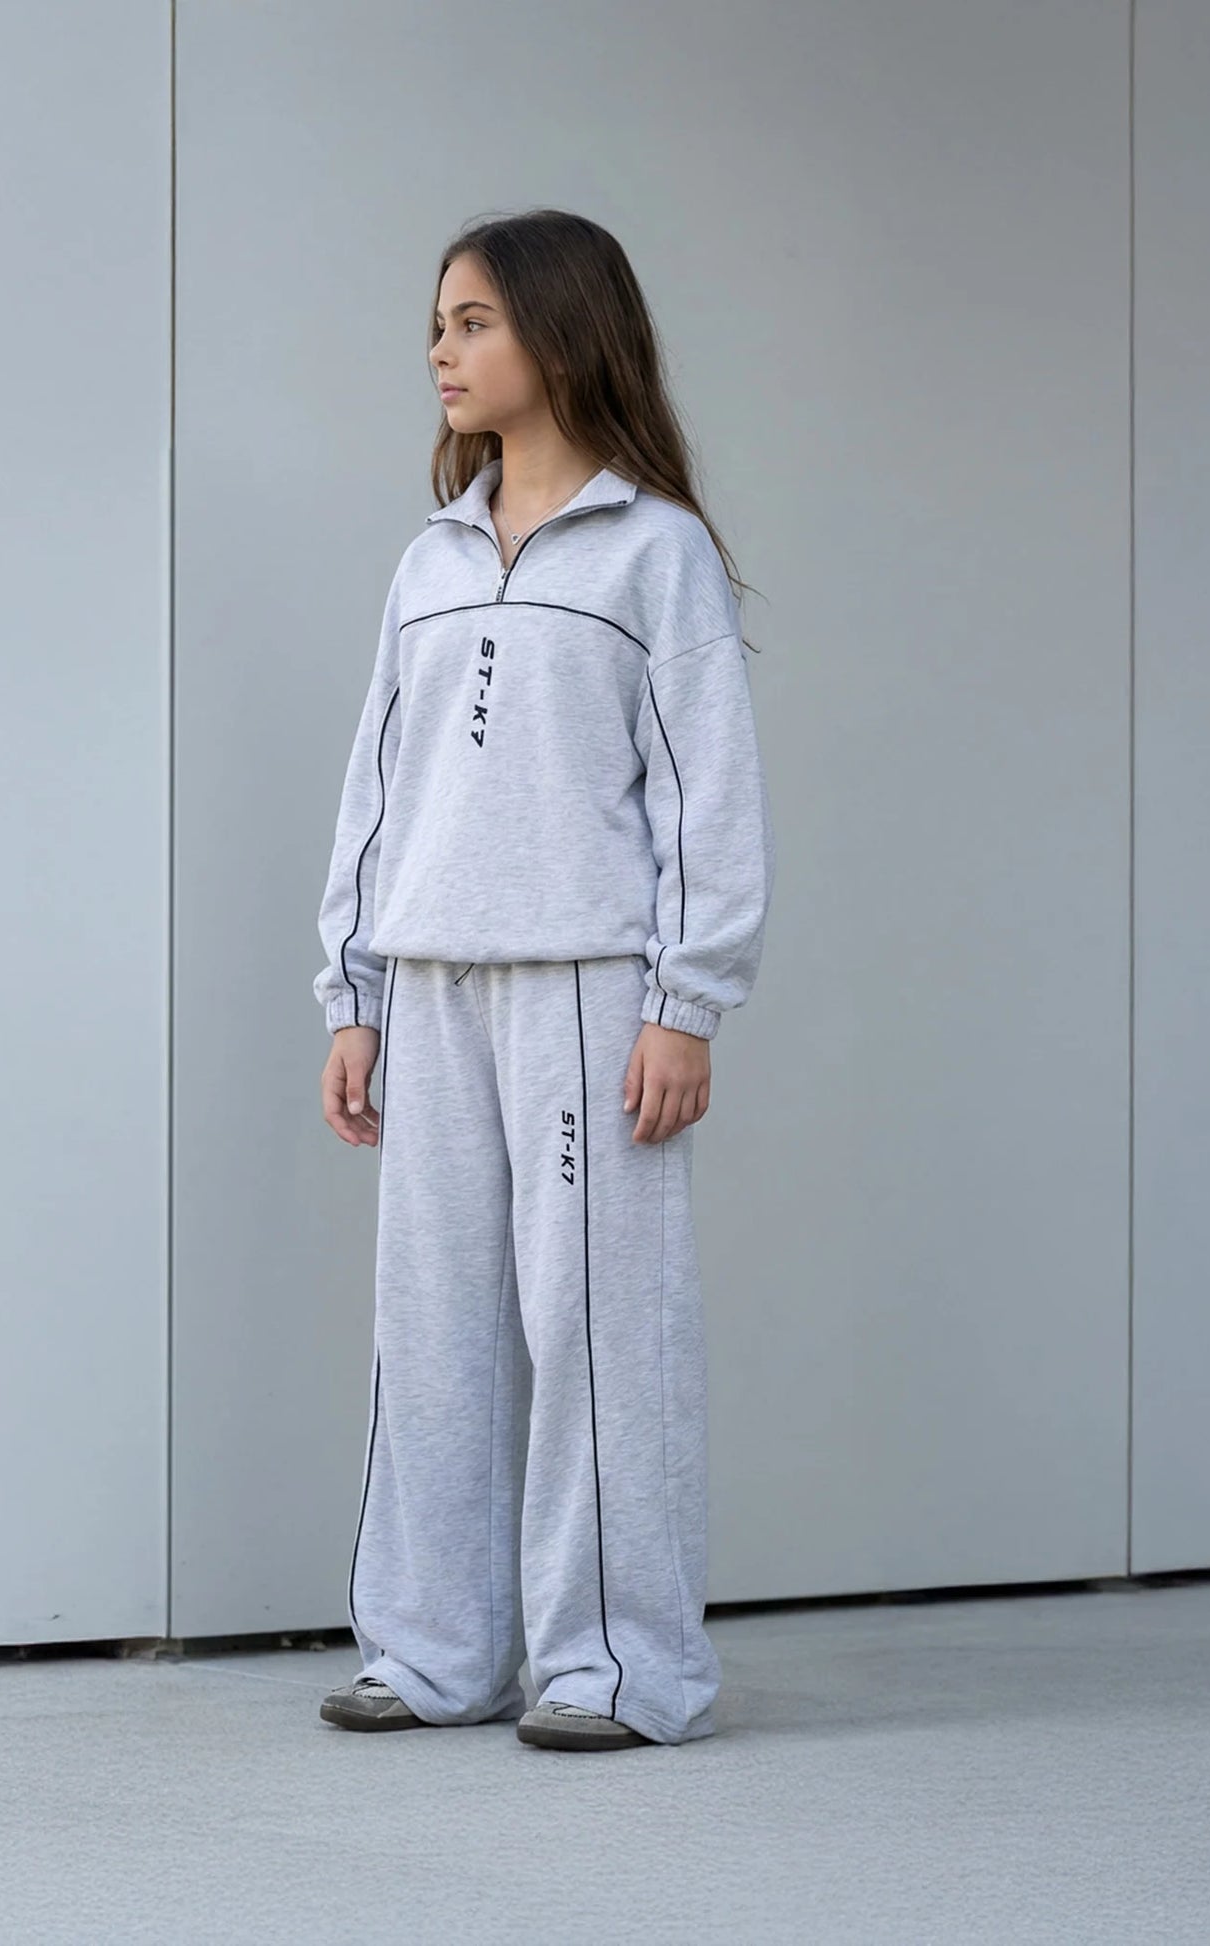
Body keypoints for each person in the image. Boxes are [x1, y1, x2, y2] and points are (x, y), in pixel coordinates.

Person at [310, 208, 774, 1753]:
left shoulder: (657, 552)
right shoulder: (428, 560)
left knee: (597, 1333)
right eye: (436, 326)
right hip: (430, 980)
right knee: (431, 1326)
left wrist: (686, 1001)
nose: (440, 353)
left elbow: (707, 789)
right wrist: (350, 991)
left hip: (589, 986)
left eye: (473, 322)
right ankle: (433, 1649)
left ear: (562, 334)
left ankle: (618, 1667)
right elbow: (376, 788)